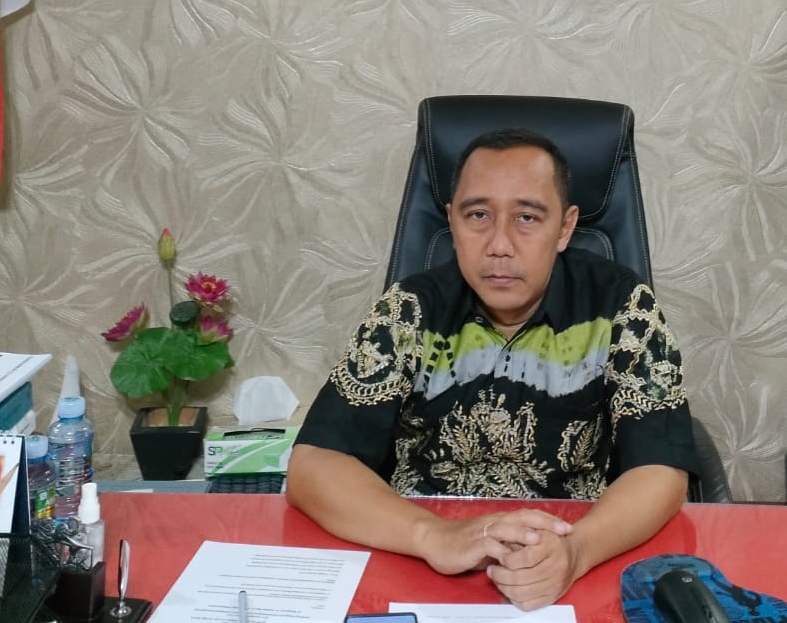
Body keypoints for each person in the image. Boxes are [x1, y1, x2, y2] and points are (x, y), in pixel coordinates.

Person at [287, 128, 696, 610]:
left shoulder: (621, 305)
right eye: (478, 215)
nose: (499, 244)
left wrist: (578, 552)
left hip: (573, 552)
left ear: (565, 228)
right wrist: (432, 535)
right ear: (451, 221)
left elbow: (661, 469)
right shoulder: (410, 310)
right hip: (418, 556)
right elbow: (314, 466)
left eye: (527, 217)